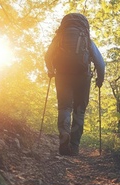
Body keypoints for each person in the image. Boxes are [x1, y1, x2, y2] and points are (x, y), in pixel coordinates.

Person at [45, 13, 105, 156]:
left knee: (64, 107)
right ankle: (75, 147)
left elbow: (48, 55)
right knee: (79, 110)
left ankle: (64, 141)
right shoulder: (87, 40)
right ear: (85, 26)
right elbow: (100, 63)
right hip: (83, 78)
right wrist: (100, 79)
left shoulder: (59, 38)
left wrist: (51, 70)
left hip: (62, 75)